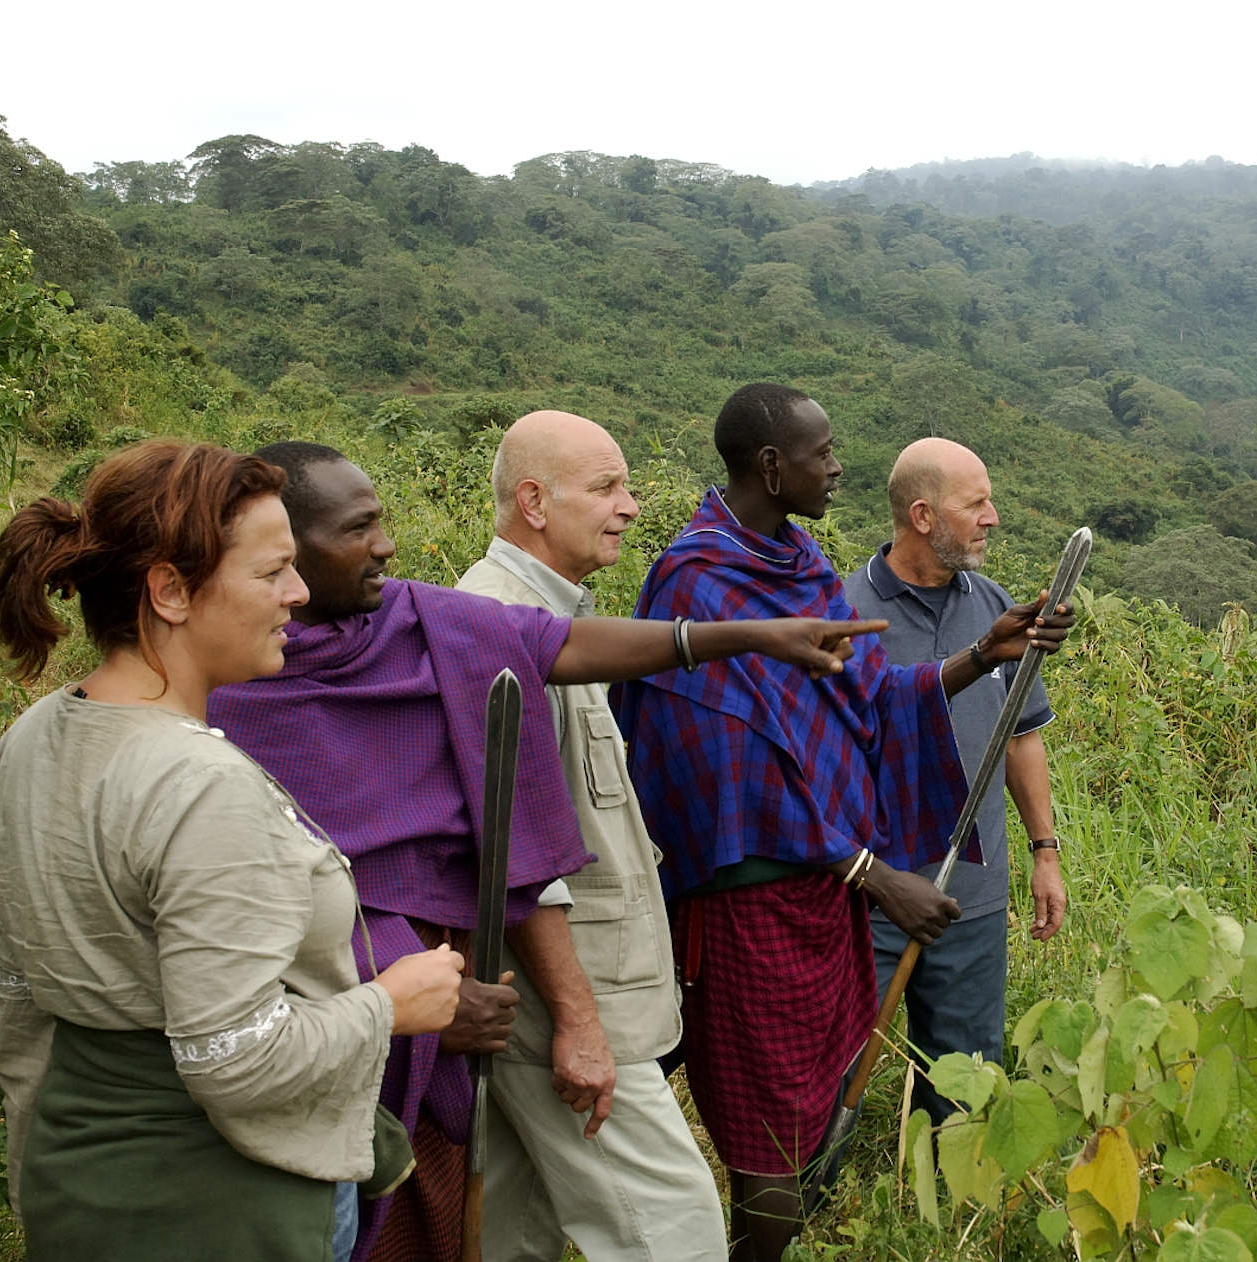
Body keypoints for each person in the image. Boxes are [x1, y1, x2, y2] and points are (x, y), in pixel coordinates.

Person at [207, 442, 878, 1262]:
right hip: (343, 1033)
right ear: (285, 551)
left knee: (489, 1226)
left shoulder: (423, 624)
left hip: (449, 1003)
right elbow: (268, 919)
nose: (386, 545)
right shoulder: (233, 696)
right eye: (357, 529)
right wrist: (417, 1000)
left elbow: (563, 647)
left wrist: (752, 637)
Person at [0, 439, 467, 1262]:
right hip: (224, 1210)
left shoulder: (32, 737)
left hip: (79, 1186)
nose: (297, 594)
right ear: (169, 590)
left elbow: (19, 998)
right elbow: (234, 1060)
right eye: (272, 572)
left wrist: (43, 1168)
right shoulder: (200, 784)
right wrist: (391, 1004)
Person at [614, 383, 1073, 1262]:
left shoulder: (801, 565)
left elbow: (868, 695)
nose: (835, 468)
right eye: (820, 453)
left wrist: (984, 653)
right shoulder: (699, 579)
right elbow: (735, 777)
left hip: (817, 897)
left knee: (790, 1122)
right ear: (770, 466)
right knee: (768, 1140)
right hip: (745, 901)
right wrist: (872, 872)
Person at [455, 410, 725, 1261]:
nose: (631, 506)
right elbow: (514, 857)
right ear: (535, 502)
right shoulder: (495, 625)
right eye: (607, 487)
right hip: (568, 1005)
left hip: (578, 996)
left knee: (511, 1230)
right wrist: (576, 1019)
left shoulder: (551, 618)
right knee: (676, 1229)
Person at [842, 437, 1067, 1126]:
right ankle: (812, 1185)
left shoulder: (993, 603)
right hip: (869, 900)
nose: (992, 517)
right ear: (922, 516)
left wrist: (1045, 851)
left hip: (971, 897)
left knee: (967, 1084)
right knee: (834, 1075)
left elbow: (1021, 734)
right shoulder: (848, 611)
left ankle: (954, 1193)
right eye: (976, 505)